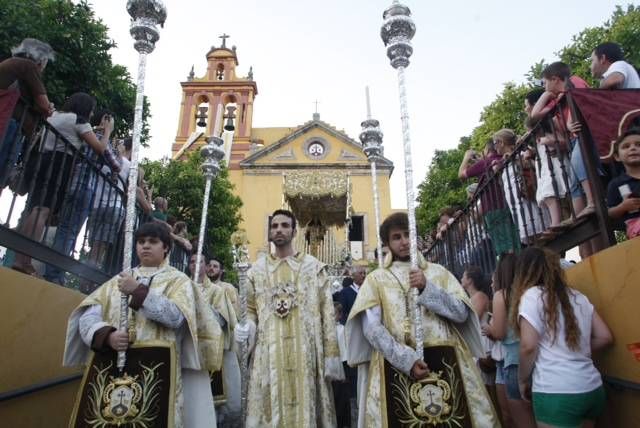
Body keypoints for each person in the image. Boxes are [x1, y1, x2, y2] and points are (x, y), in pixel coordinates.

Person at [63, 222, 223, 427]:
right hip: (112, 364)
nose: (145, 246)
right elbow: (87, 317)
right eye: (141, 242)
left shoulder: (179, 281)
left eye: (153, 241)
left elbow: (175, 317)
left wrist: (138, 291)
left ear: (166, 247)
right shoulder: (118, 280)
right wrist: (107, 335)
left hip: (157, 368)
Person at [346, 212, 498, 427]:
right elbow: (371, 329)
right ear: (387, 243)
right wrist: (405, 360)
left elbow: (461, 313)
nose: (404, 241)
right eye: (397, 237)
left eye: (408, 234)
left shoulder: (439, 273)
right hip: (397, 365)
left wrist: (428, 288)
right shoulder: (376, 279)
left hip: (446, 361)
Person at [234, 209, 344, 427]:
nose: (279, 230)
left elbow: (327, 313)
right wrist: (247, 328)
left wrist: (331, 355)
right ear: (269, 233)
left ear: (294, 232)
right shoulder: (256, 271)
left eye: (284, 225)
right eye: (274, 226)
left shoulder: (313, 268)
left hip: (306, 352)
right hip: (268, 353)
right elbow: (250, 309)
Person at [13, 92, 119, 276]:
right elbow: (100, 149)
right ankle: (27, 258)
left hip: (43, 161)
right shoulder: (79, 121)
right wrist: (107, 131)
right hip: (59, 165)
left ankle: (19, 259)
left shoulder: (56, 116)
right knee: (42, 211)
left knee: (34, 210)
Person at [511, 247, 613, 428]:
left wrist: (521, 380)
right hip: (592, 388)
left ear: (524, 273)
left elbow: (528, 346)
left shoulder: (532, 296)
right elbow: (605, 337)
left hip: (556, 393)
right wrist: (576, 347)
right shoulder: (578, 296)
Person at [482, 254, 536, 428]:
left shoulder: (501, 295)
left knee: (522, 420)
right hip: (536, 362)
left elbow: (499, 333)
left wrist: (488, 329)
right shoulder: (531, 292)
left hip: (513, 362)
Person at [190, 253, 241, 428]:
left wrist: (200, 304)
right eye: (192, 262)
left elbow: (223, 320)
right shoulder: (180, 287)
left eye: (200, 262)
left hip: (214, 352)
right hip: (189, 351)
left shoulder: (218, 291)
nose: (196, 265)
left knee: (216, 401)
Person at [0, 38, 54, 189]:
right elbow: (45, 105)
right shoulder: (27, 66)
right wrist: (49, 109)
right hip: (9, 123)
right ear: (41, 59)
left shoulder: (11, 63)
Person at [607, 128, 640, 239]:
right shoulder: (617, 184)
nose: (633, 148)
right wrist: (623, 207)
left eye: (638, 145)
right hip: (635, 225)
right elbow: (610, 212)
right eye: (626, 146)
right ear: (617, 156)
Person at [332, 302, 351, 428]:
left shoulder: (342, 329)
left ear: (339, 315)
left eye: (335, 313)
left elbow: (345, 352)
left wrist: (346, 373)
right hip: (331, 370)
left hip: (341, 370)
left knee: (342, 401)